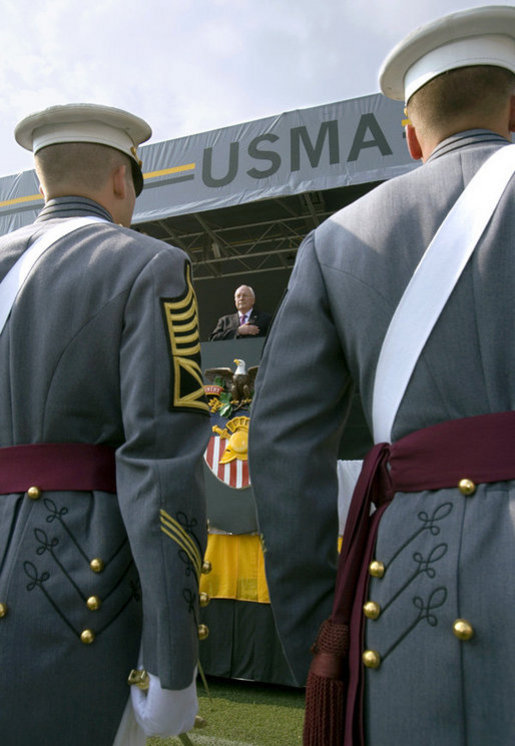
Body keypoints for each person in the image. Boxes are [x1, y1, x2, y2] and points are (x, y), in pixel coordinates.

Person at [249, 6, 515, 745]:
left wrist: (319, 633)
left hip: (407, 599)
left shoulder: (333, 242)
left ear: (409, 136)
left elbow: (279, 450)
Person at [0, 103, 211, 745]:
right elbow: (159, 468)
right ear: (122, 179)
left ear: (42, 182)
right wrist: (173, 665)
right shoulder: (149, 265)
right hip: (75, 584)